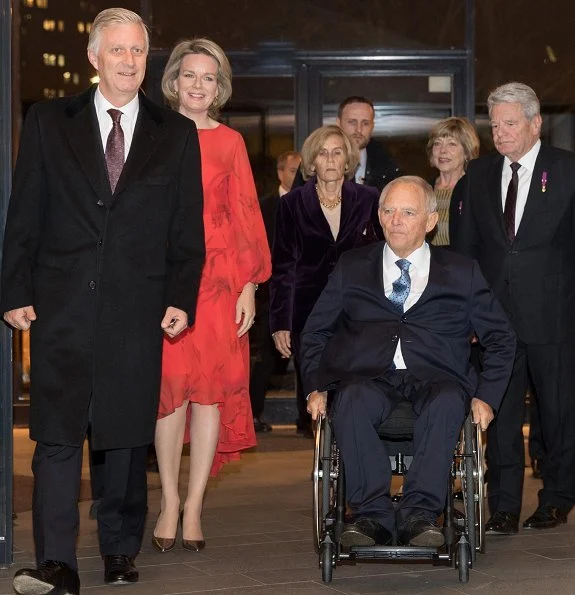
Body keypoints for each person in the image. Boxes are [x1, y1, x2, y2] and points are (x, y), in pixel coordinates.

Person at [1, 8, 205, 594]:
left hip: (137, 309)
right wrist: (15, 288)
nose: (128, 60)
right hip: (60, 304)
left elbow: (187, 233)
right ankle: (56, 561)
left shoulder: (176, 134)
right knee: (58, 435)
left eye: (138, 50)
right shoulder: (47, 121)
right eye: (117, 50)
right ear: (94, 58)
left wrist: (180, 298)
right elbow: (26, 212)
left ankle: (119, 550)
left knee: (123, 435)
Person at [301, 176, 515, 547]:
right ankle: (371, 515)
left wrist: (487, 397)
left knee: (449, 401)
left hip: (437, 377)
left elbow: (500, 337)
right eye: (388, 210)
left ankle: (419, 514)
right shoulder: (352, 266)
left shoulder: (461, 272)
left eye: (408, 212)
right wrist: (315, 386)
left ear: (430, 221)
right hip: (368, 375)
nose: (395, 219)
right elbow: (315, 332)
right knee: (349, 399)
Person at [153, 38, 271, 554]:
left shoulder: (230, 143)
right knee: (169, 392)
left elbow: (247, 214)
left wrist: (248, 286)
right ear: (174, 81)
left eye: (208, 78)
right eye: (190, 76)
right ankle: (169, 500)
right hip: (168, 280)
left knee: (209, 394)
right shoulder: (152, 135)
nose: (198, 86)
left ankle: (195, 505)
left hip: (221, 282)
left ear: (217, 86)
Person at [452, 82, 575, 534]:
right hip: (494, 319)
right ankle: (503, 504)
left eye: (510, 123)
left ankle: (558, 496)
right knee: (498, 413)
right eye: (495, 124)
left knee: (559, 411)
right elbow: (464, 253)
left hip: (555, 314)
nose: (500, 133)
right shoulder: (478, 176)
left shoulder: (566, 170)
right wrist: (465, 314)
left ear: (535, 123)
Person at [269, 124, 383, 438]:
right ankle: (326, 458)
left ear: (348, 160)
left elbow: (379, 256)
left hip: (359, 311)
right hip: (309, 312)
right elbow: (283, 267)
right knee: (317, 390)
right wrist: (281, 321)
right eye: (323, 153)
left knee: (354, 386)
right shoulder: (292, 204)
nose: (330, 160)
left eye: (337, 153)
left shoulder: (368, 198)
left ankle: (351, 455)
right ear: (311, 162)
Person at [250, 151, 302, 433]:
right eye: (293, 170)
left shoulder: (309, 202)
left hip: (303, 288)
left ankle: (307, 419)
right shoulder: (265, 206)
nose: (297, 176)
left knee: (305, 354)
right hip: (272, 290)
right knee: (268, 357)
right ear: (281, 172)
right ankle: (252, 414)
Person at [292, 96, 400, 192]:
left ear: (372, 126)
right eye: (352, 122)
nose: (359, 130)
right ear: (338, 123)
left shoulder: (387, 165)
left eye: (365, 123)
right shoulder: (314, 159)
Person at [426, 117, 480, 246]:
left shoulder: (475, 190)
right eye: (437, 143)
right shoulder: (424, 189)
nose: (443, 150)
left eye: (452, 144)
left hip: (460, 263)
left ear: (467, 152)